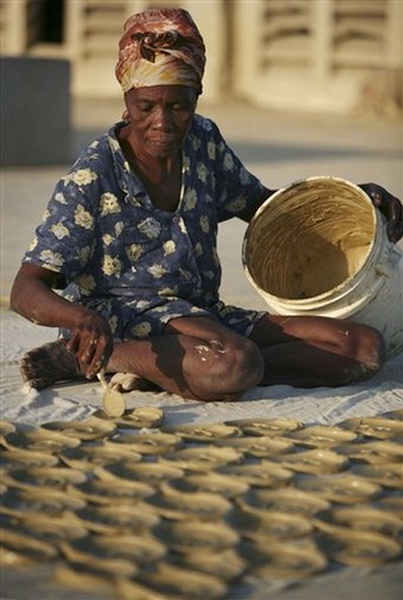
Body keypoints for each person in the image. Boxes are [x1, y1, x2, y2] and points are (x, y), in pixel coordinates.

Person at [10, 8, 403, 402]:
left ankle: (179, 368)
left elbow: (266, 212)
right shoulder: (94, 176)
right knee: (231, 362)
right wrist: (80, 318)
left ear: (196, 96)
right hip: (124, 320)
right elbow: (26, 290)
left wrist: (352, 198)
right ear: (127, 99)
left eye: (178, 106)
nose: (162, 122)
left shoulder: (203, 143)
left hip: (202, 315)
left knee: (363, 348)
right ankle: (100, 358)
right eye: (146, 107)